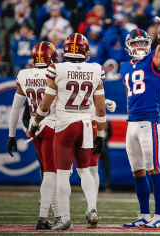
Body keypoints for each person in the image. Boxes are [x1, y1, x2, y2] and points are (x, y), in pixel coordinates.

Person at [31, 33, 105, 231]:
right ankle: (92, 208)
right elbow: (100, 109)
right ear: (85, 51)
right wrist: (101, 135)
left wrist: (36, 121)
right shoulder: (96, 69)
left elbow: (45, 105)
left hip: (64, 125)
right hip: (87, 125)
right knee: (85, 170)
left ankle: (64, 218)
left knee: (62, 174)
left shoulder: (57, 69)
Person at [119, 9, 160, 229]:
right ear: (129, 46)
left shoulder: (155, 59)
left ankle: (159, 216)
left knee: (153, 168)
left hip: (149, 122)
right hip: (132, 122)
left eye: (143, 43)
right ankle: (144, 215)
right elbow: (129, 97)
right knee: (137, 171)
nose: (140, 47)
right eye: (135, 44)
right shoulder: (125, 68)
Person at [8, 41, 61, 230]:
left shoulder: (24, 74)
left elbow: (15, 109)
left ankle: (57, 216)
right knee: (52, 173)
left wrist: (11, 135)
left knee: (49, 171)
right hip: (52, 125)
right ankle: (44, 217)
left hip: (33, 127)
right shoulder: (56, 72)